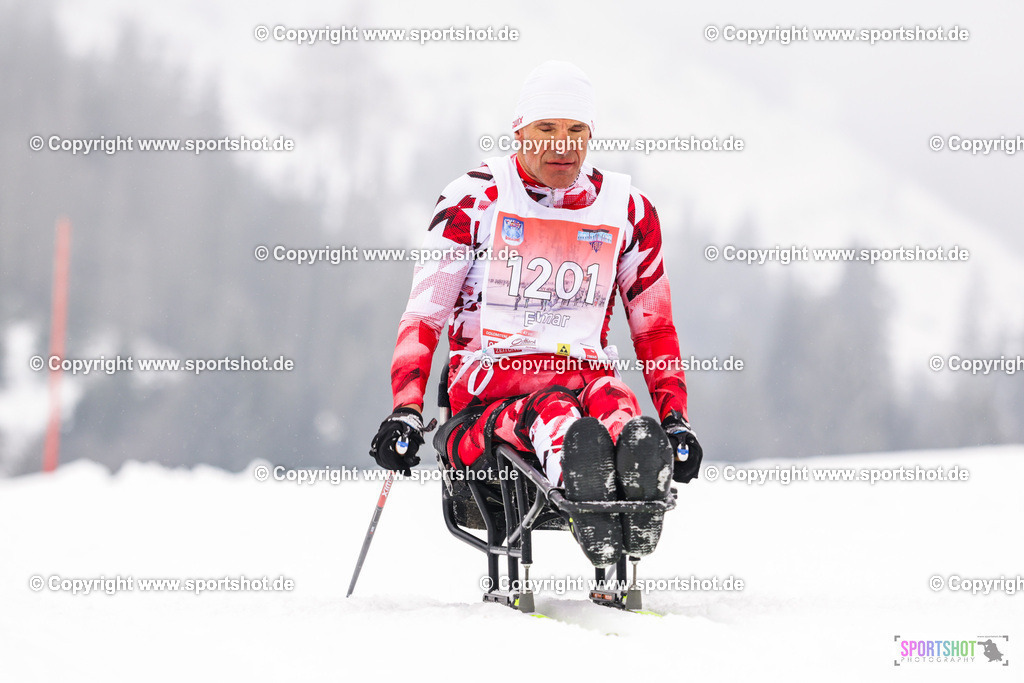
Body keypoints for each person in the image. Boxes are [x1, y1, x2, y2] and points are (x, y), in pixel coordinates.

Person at [370, 61, 703, 567]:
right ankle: (590, 500)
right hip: (485, 402)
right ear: (519, 131)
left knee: (618, 405)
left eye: (575, 131)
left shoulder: (627, 210)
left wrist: (675, 419)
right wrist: (407, 410)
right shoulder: (474, 200)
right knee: (556, 414)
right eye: (546, 129)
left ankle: (635, 506)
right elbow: (424, 317)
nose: (561, 145)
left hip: (585, 378)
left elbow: (653, 325)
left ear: (591, 135)